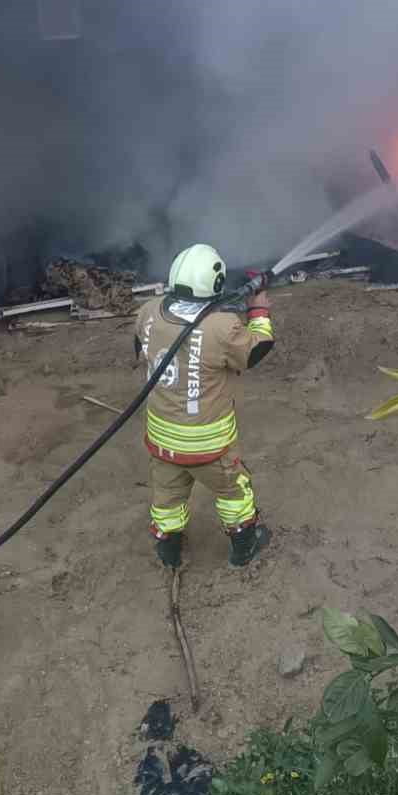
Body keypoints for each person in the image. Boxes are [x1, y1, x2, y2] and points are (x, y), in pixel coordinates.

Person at [133, 243, 274, 568]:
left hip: (162, 441)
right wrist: (259, 312)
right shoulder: (223, 328)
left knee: (167, 497)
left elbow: (142, 347)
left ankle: (169, 552)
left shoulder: (149, 311)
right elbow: (255, 351)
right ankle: (243, 548)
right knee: (235, 492)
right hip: (208, 446)